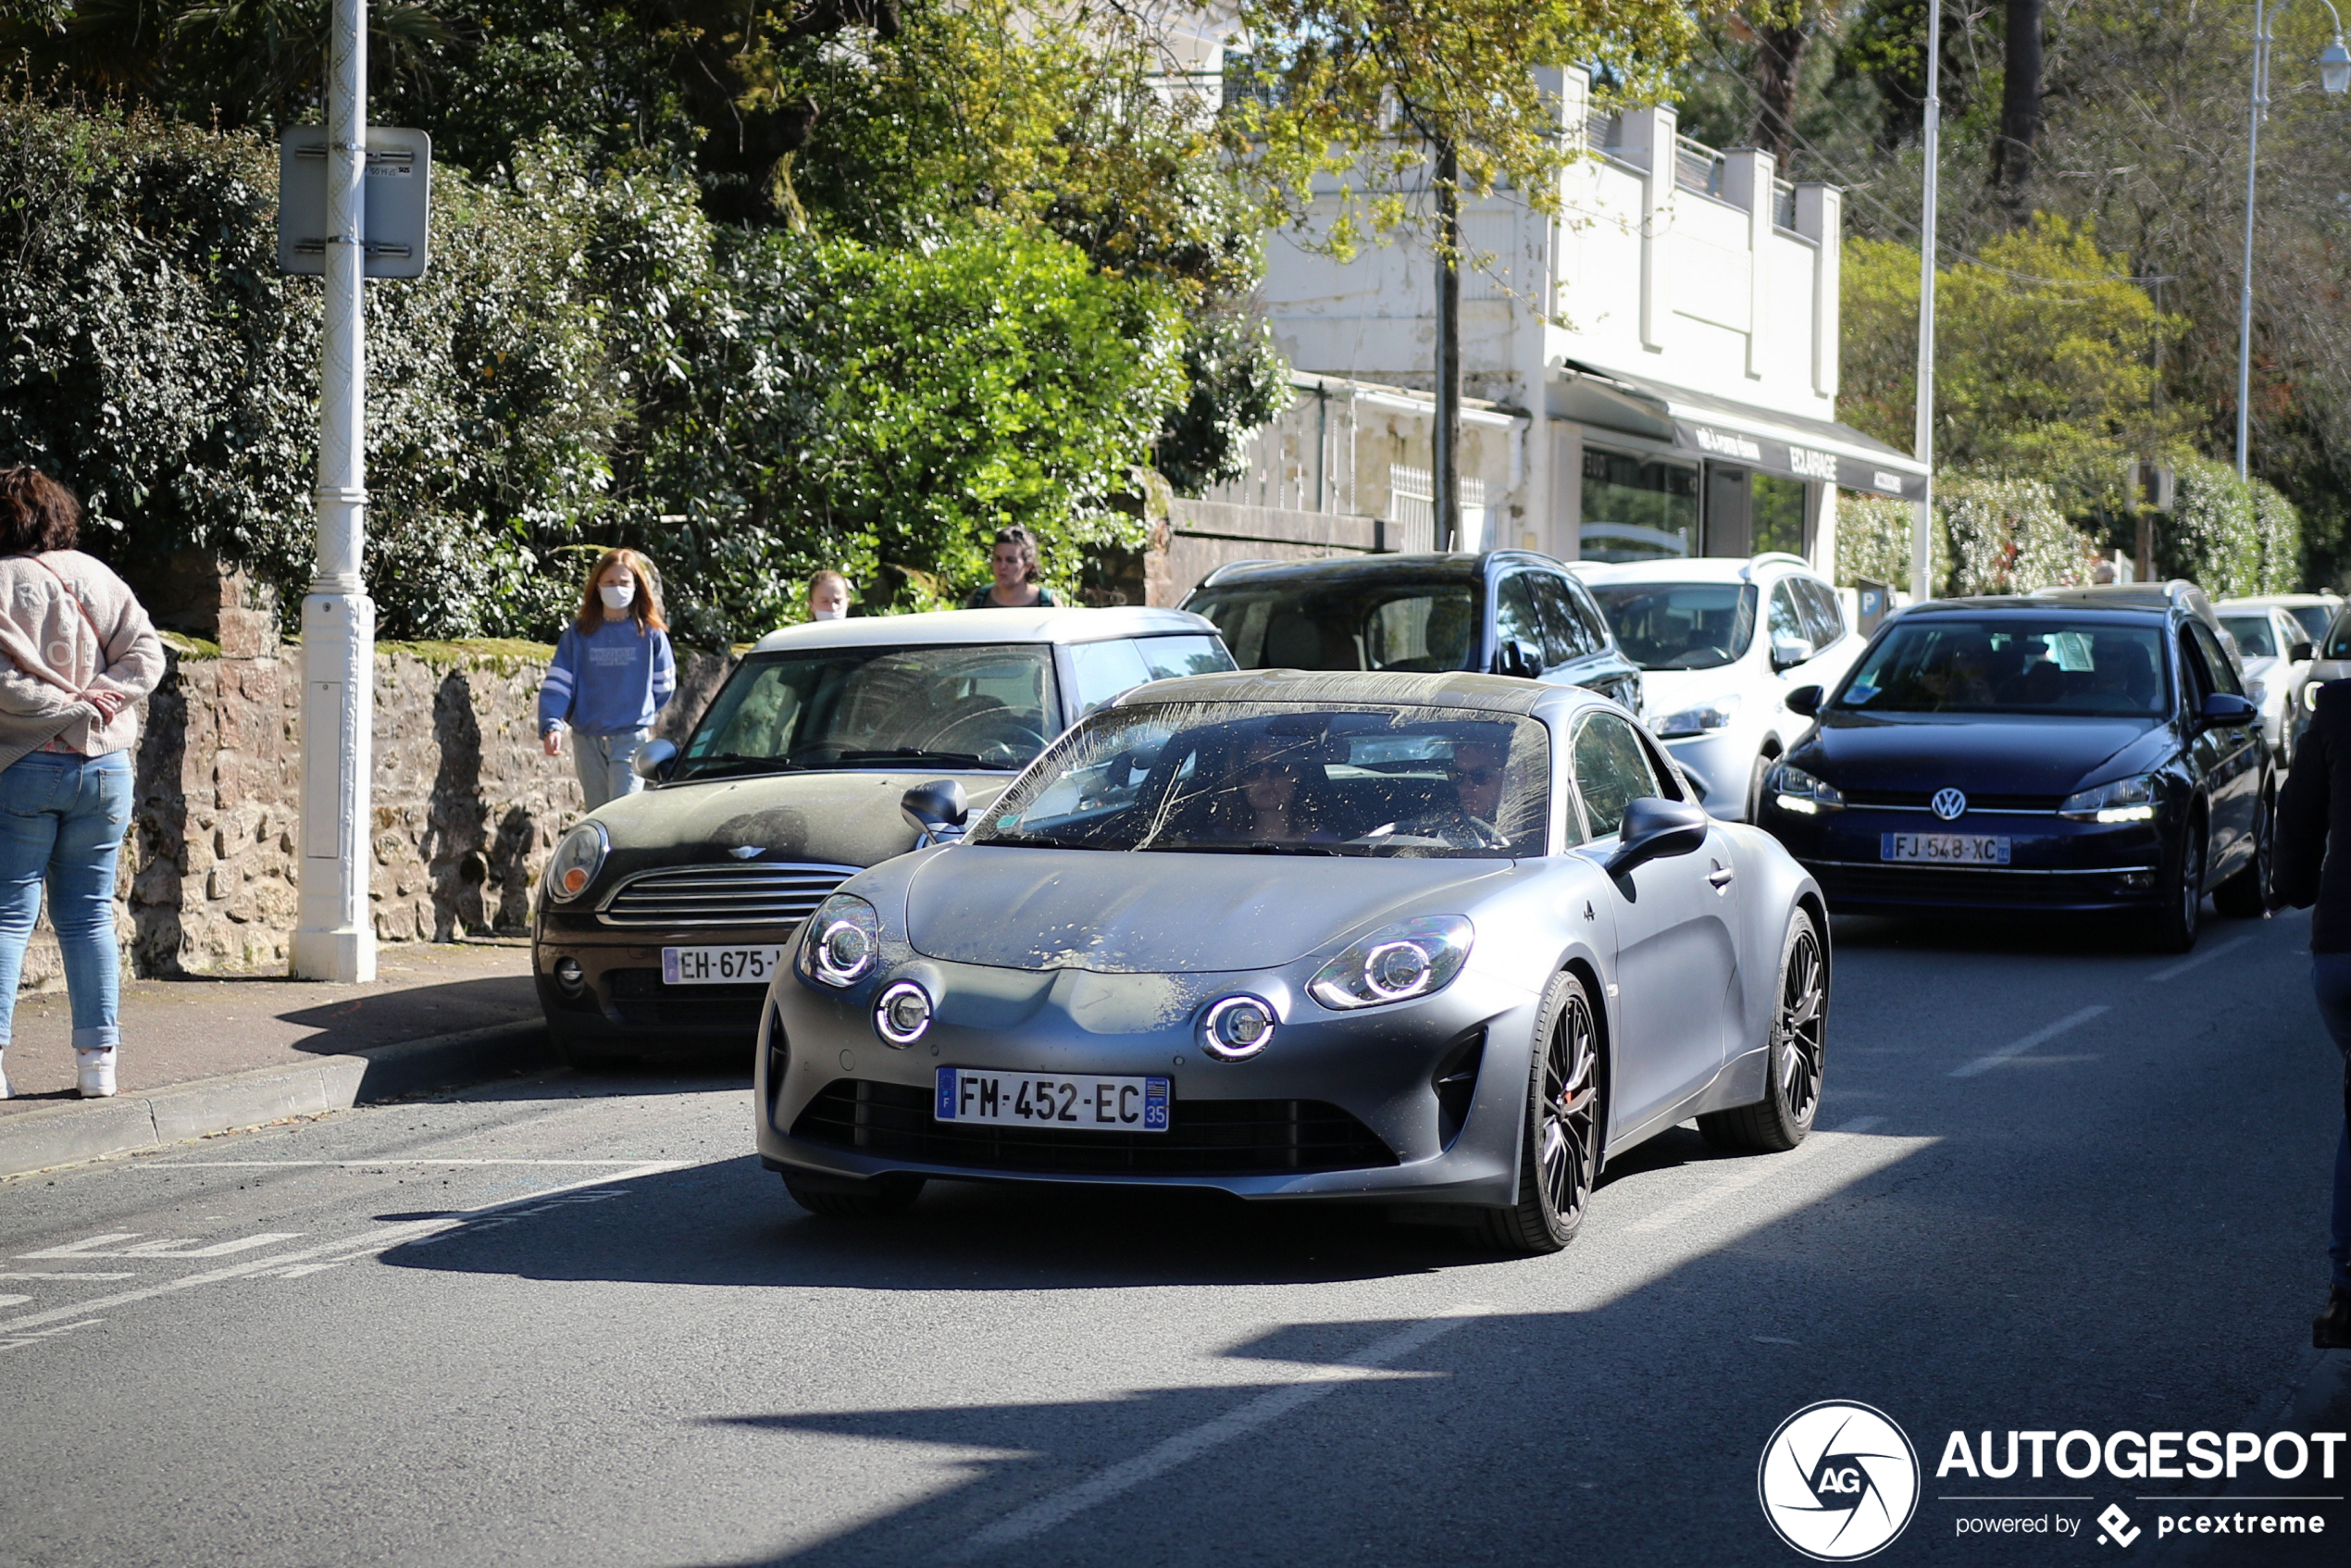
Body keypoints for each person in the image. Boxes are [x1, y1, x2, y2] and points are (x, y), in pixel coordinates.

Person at [0, 468, 166, 1101]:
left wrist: (66, 705)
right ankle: (99, 1065)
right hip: (104, 770)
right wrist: (100, 698)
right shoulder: (98, 576)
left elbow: (5, 686)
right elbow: (147, 656)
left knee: (8, 915)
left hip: (23, 767)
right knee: (91, 914)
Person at [2273, 678, 2351, 1348]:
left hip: (2342, 951)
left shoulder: (2339, 713)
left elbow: (2297, 817)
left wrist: (2291, 887)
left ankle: (2347, 1289)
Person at [538, 548, 677, 813]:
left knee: (623, 814)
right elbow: (559, 684)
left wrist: (636, 710)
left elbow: (664, 686)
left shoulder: (651, 634)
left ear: (636, 586)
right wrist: (551, 724)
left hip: (630, 739)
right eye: (610, 582)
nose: (617, 588)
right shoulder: (578, 635)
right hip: (587, 739)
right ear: (597, 586)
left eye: (624, 582)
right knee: (598, 814)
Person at [964, 527, 1058, 610]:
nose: (1002, 566)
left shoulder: (1047, 603)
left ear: (1028, 566)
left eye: (1010, 560)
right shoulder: (979, 600)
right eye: (998, 559)